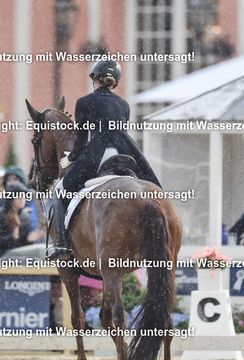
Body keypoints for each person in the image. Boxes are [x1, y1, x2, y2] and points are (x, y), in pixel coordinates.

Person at [48, 60, 161, 261]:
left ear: (96, 79)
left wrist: (71, 157)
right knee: (156, 191)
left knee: (60, 192)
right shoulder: (124, 104)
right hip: (126, 153)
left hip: (97, 155)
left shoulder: (84, 102)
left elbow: (81, 142)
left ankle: (62, 246)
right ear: (115, 82)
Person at [0, 182, 43, 259]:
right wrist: (11, 237)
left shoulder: (25, 217)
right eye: (19, 197)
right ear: (11, 199)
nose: (22, 200)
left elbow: (23, 246)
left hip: (19, 256)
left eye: (24, 197)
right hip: (1, 257)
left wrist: (30, 240)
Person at [4, 165, 41, 237]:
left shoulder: (34, 197)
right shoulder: (2, 200)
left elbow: (41, 221)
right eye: (9, 180)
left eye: (15, 179)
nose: (12, 182)